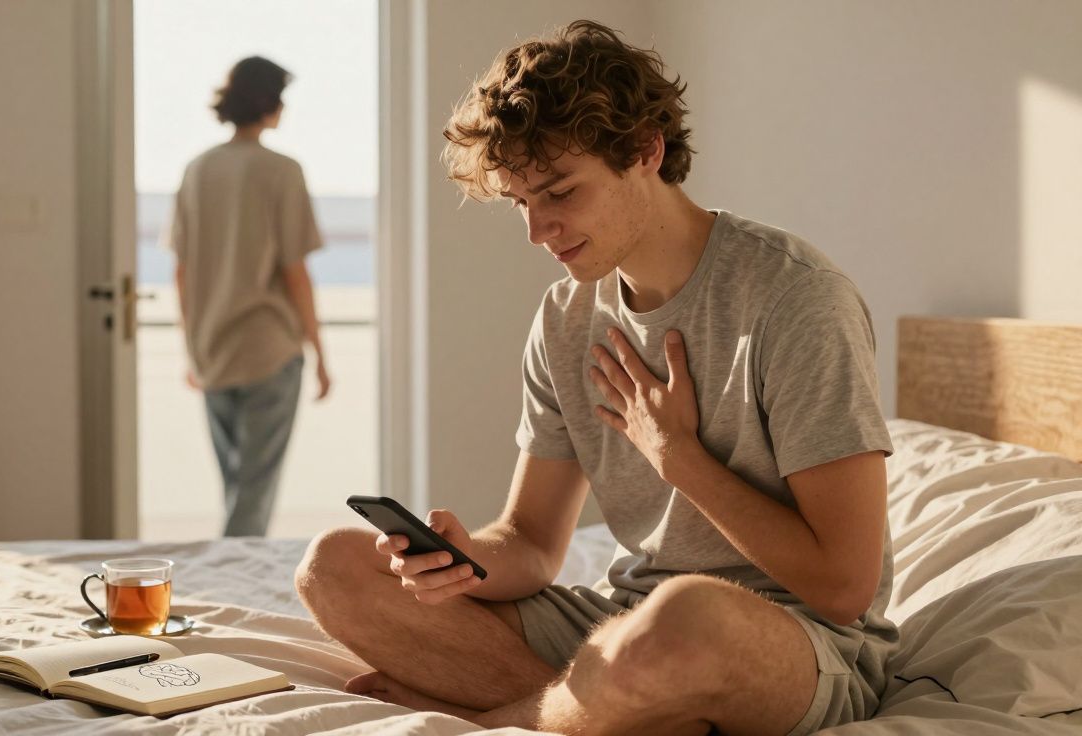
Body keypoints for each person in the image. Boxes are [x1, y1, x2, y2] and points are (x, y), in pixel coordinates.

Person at [295, 20, 896, 736]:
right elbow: (532, 543)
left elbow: (843, 587)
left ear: (646, 150)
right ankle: (618, 715)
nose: (536, 230)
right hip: (625, 627)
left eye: (559, 192)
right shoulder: (566, 317)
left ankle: (497, 720)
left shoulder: (796, 299)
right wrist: (466, 559)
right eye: (522, 202)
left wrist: (679, 458)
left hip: (792, 642)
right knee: (332, 567)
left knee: (683, 618)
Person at [169, 55, 332, 538]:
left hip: (213, 350)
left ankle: (227, 575)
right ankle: (230, 586)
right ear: (270, 102)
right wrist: (320, 352)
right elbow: (295, 270)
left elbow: (181, 270)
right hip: (269, 349)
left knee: (236, 487)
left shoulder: (197, 170)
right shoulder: (282, 170)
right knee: (254, 493)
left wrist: (192, 348)